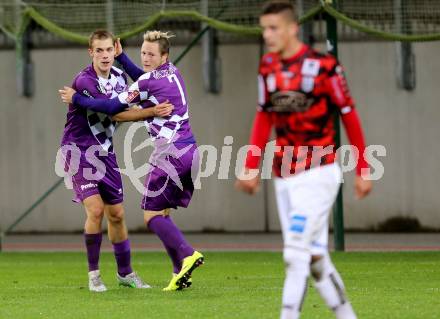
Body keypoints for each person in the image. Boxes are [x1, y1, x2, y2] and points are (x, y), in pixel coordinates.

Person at [235, 2, 372, 318]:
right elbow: (263, 116)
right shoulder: (267, 67)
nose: (267, 35)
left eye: (273, 28)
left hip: (319, 173)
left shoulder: (325, 66)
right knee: (314, 257)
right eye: (264, 29)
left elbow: (349, 115)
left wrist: (363, 168)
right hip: (284, 176)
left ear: (293, 28)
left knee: (294, 253)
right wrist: (251, 166)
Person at [59, 30, 204, 291]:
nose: (105, 55)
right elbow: (117, 110)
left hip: (156, 152)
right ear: (91, 52)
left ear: (165, 56)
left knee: (142, 214)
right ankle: (96, 275)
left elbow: (122, 103)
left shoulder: (120, 77)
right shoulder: (85, 81)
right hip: (81, 151)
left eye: (108, 50)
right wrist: (122, 59)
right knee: (99, 210)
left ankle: (175, 260)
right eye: (143, 53)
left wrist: (121, 62)